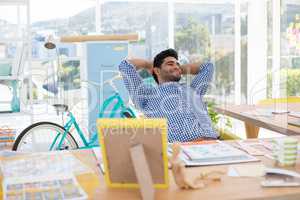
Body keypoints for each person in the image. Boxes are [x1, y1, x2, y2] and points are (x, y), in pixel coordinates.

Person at [119, 48, 219, 142]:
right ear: (157, 70)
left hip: (214, 144)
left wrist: (178, 69)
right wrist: (149, 65)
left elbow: (208, 67)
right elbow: (125, 66)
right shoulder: (147, 96)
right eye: (170, 64)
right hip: (183, 150)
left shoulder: (193, 89)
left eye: (177, 64)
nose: (176, 66)